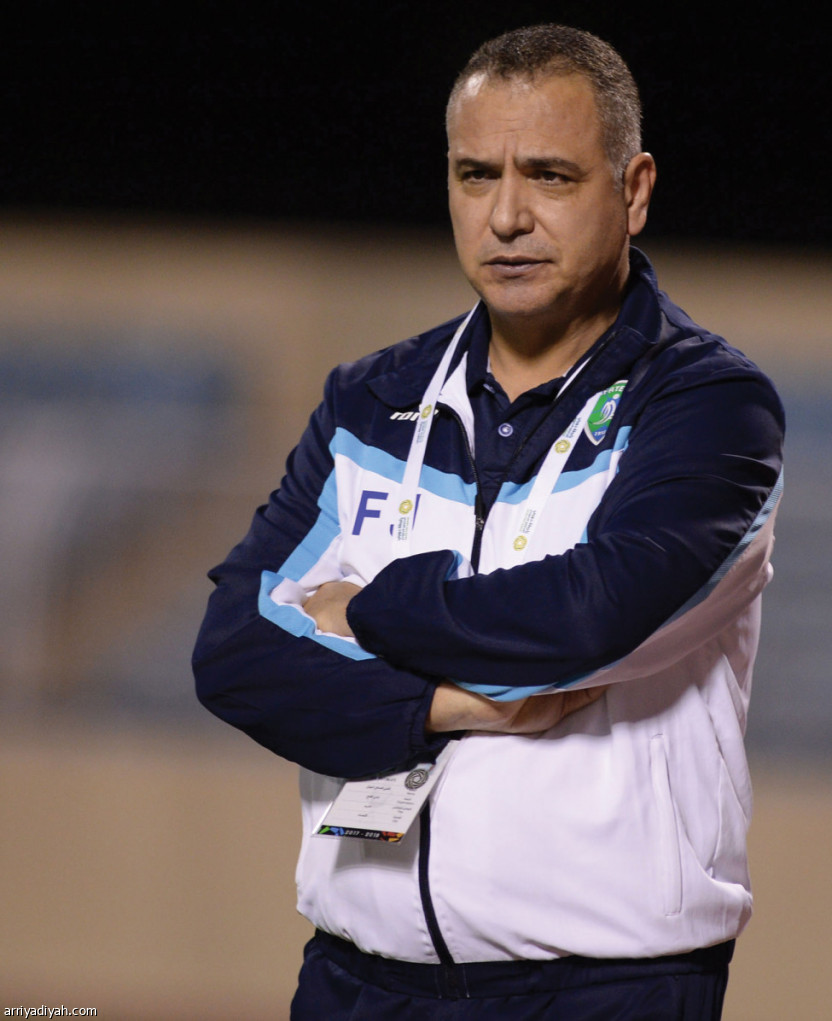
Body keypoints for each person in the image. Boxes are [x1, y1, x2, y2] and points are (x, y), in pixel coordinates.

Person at [193, 23, 784, 1021]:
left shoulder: (709, 406)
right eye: (476, 175)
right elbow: (233, 654)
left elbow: (590, 615)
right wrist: (449, 706)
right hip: (354, 981)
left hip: (605, 991)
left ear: (634, 190)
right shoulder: (370, 399)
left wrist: (364, 610)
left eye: (549, 175)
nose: (506, 216)